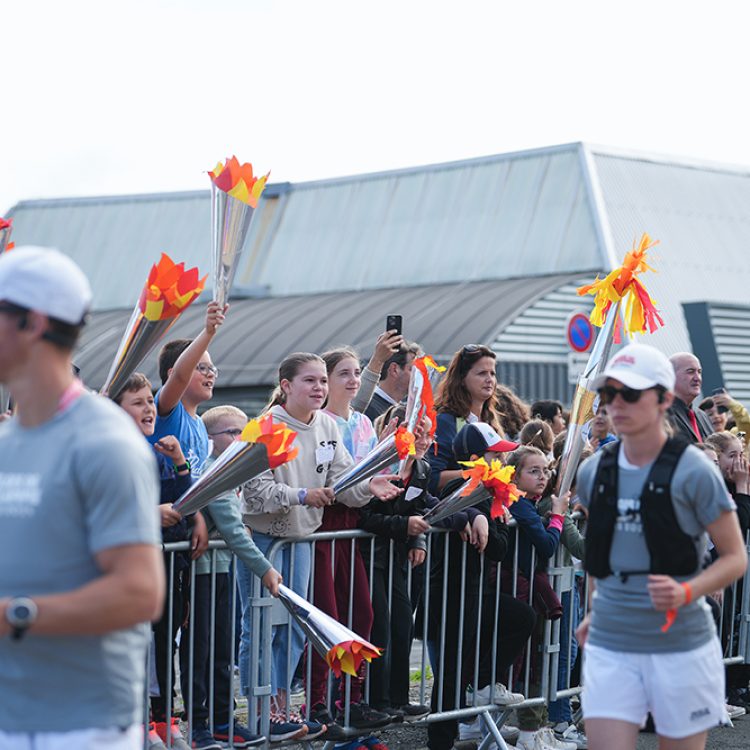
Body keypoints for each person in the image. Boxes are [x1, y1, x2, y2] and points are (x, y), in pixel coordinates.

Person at [0, 247, 164, 750]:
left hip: (81, 728)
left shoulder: (104, 442)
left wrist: (14, 615)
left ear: (33, 324)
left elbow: (140, 592)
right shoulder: (9, 441)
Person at [575, 343, 747, 750]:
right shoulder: (593, 470)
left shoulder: (695, 469)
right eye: (608, 394)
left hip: (680, 641)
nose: (616, 404)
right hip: (613, 639)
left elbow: (735, 556)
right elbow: (602, 556)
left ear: (663, 399)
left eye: (630, 393)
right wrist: (592, 612)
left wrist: (687, 590)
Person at [239, 353, 401, 738]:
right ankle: (261, 711)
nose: (319, 388)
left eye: (321, 382)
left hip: (303, 540)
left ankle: (282, 710)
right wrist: (301, 495)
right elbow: (254, 493)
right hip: (265, 541)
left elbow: (345, 481)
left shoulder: (328, 425)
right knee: (261, 627)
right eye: (310, 381)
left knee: (295, 629)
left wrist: (369, 488)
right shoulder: (263, 427)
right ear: (286, 386)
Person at [179, 405, 300, 749]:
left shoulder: (232, 476)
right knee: (199, 651)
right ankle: (200, 726)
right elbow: (234, 531)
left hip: (220, 569)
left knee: (220, 650)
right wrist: (265, 570)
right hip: (200, 573)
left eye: (244, 433)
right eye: (232, 433)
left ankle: (222, 720)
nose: (240, 440)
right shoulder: (213, 473)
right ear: (209, 439)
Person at [113, 372, 208, 750]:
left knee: (162, 644)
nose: (149, 408)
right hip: (127, 564)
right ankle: (136, 723)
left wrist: (181, 462)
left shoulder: (156, 451)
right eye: (138, 403)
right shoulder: (112, 454)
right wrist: (151, 513)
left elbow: (185, 503)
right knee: (136, 647)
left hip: (167, 566)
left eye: (150, 401)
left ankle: (163, 718)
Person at [503, 445, 574, 750]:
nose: (542, 476)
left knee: (536, 657)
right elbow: (546, 546)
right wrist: (557, 518)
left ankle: (534, 728)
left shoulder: (528, 504)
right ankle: (529, 733)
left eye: (545, 470)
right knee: (525, 661)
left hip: (527, 589)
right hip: (519, 591)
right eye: (533, 471)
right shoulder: (518, 503)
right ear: (514, 475)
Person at [149, 301, 227, 480]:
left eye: (212, 369)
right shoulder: (169, 411)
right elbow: (180, 377)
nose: (210, 375)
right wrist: (208, 332)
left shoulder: (200, 424)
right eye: (202, 368)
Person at [429, 344, 506, 493]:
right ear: (462, 379)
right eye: (482, 373)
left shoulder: (490, 420)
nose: (489, 379)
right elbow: (433, 478)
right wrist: (479, 473)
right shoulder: (445, 421)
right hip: (457, 511)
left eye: (492, 373)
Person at [362, 341, 420, 422]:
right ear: (394, 370)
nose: (418, 376)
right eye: (413, 370)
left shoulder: (404, 409)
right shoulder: (368, 409)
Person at [667, 352, 714, 443]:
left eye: (699, 372)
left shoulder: (703, 416)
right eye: (690, 372)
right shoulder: (662, 415)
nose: (697, 378)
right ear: (671, 375)